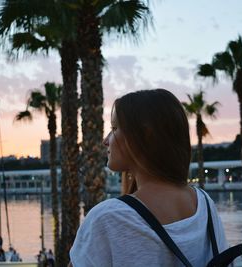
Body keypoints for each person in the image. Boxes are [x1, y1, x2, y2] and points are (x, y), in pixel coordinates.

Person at [69, 89, 229, 267]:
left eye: (114, 129)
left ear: (145, 135)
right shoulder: (204, 203)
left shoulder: (109, 218)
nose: (106, 141)